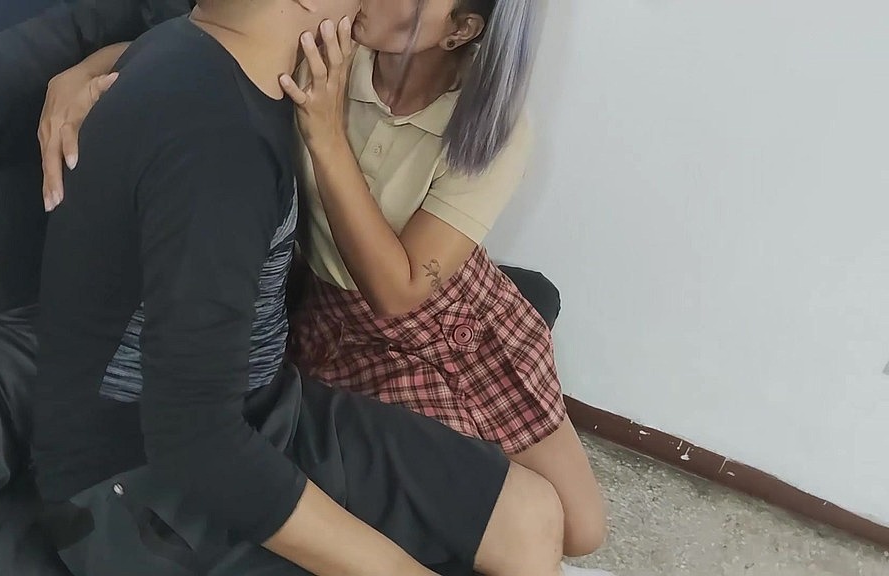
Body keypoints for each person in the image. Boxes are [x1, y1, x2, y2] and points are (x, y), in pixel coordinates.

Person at [32, 1, 571, 575]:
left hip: (263, 408)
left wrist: (82, 69)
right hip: (133, 479)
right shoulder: (217, 140)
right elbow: (195, 439)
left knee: (534, 517)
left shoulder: (256, 65)